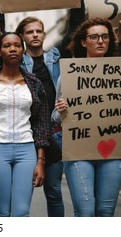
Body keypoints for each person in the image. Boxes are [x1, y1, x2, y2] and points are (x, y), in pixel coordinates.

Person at [0, 0, 85, 217]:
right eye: (29, 32)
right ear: (20, 38)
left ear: (43, 35)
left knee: (53, 189)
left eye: (39, 31)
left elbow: (74, 29)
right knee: (16, 196)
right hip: (22, 133)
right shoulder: (15, 63)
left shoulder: (55, 56)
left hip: (53, 131)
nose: (35, 35)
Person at [0, 32, 51, 217]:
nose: (13, 49)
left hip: (27, 149)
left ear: (23, 50)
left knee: (22, 212)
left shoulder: (34, 83)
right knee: (1, 212)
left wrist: (41, 161)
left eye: (17, 45)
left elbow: (42, 122)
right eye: (7, 46)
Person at [52, 17, 121, 217]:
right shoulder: (69, 74)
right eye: (94, 37)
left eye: (105, 36)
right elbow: (55, 118)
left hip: (112, 152)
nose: (100, 41)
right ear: (84, 42)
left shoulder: (117, 73)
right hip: (78, 152)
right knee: (85, 212)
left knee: (106, 211)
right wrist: (61, 109)